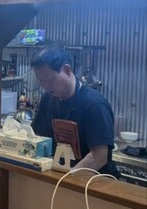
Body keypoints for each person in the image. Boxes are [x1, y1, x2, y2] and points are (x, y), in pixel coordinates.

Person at [30, 47, 118, 176]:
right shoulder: (47, 99)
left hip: (93, 181)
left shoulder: (94, 105)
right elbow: (37, 136)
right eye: (41, 81)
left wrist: (68, 178)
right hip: (59, 175)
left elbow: (98, 157)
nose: (46, 86)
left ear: (67, 70)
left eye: (50, 79)